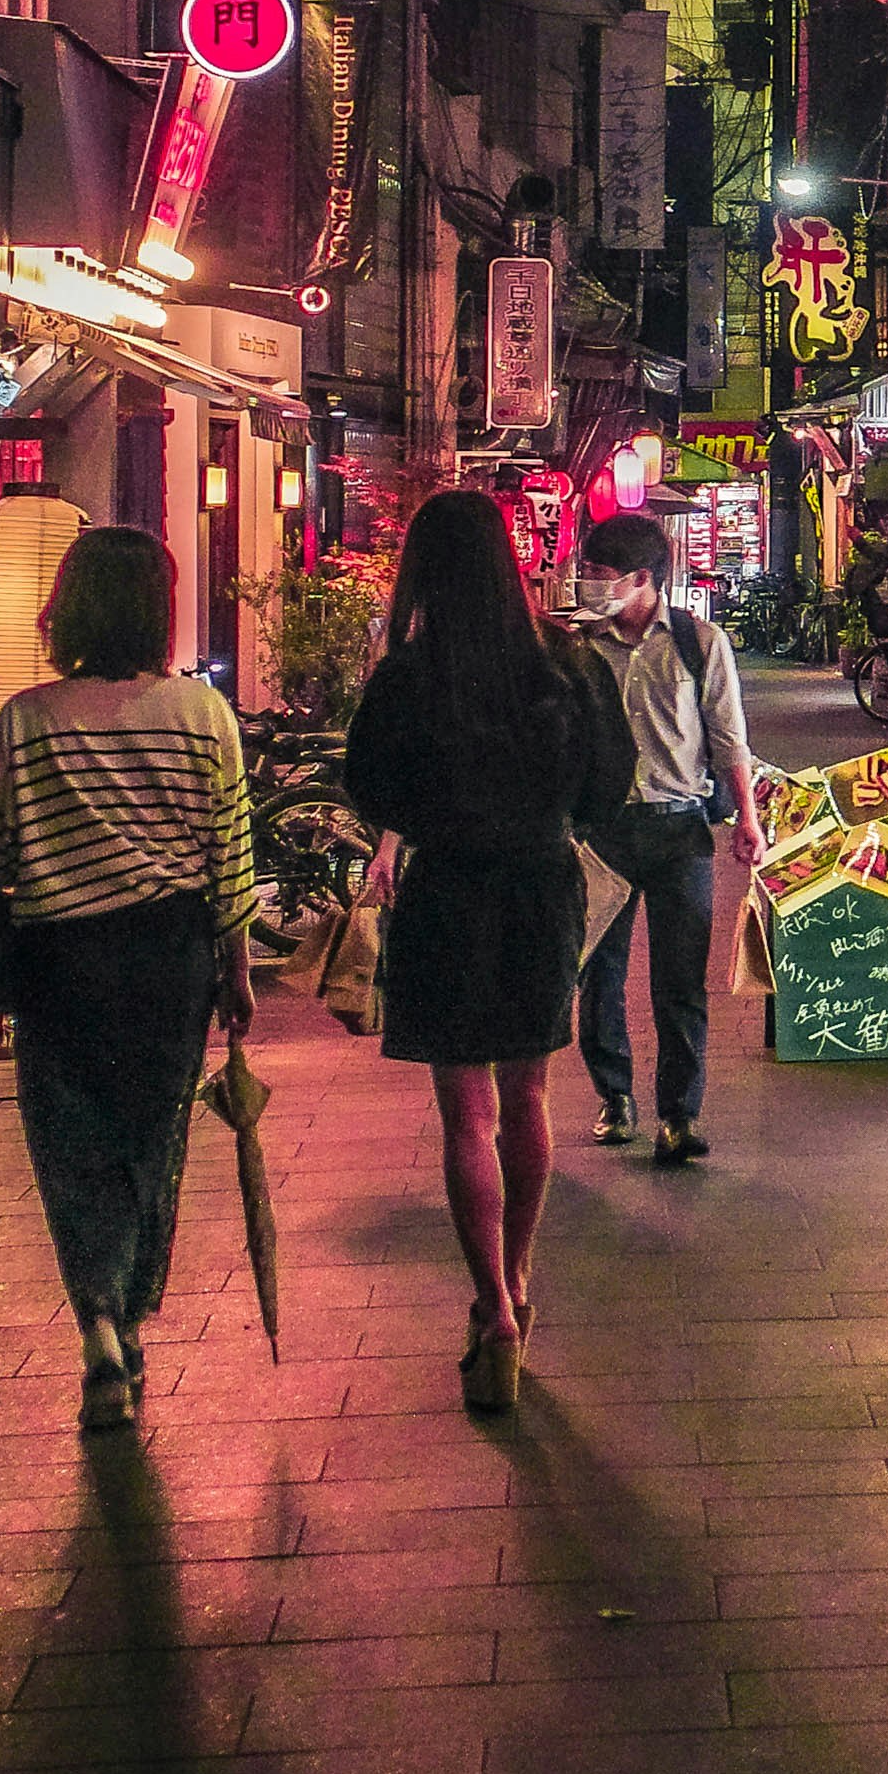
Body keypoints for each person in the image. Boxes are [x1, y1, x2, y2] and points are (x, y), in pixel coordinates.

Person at [0, 525, 257, 1433]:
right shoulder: (204, 717)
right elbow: (229, 862)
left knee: (67, 1144)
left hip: (59, 961)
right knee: (149, 1145)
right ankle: (128, 1320)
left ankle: (93, 1317)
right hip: (168, 961)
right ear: (160, 610)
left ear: (68, 608)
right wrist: (235, 975)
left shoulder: (26, 717)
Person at [340, 484, 628, 1413]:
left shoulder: (406, 677)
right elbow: (609, 783)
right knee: (530, 1095)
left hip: (447, 893)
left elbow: (370, 791)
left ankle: (493, 1309)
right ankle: (522, 1275)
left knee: (466, 1117)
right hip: (541, 887)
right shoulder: (567, 665)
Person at [566, 512, 760, 1161]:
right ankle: (614, 1097)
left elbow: (729, 736)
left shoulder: (698, 642)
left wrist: (748, 820)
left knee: (679, 981)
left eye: (597, 574)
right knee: (600, 973)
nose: (587, 584)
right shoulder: (580, 647)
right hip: (602, 832)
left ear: (642, 578)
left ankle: (679, 1114)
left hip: (679, 830)